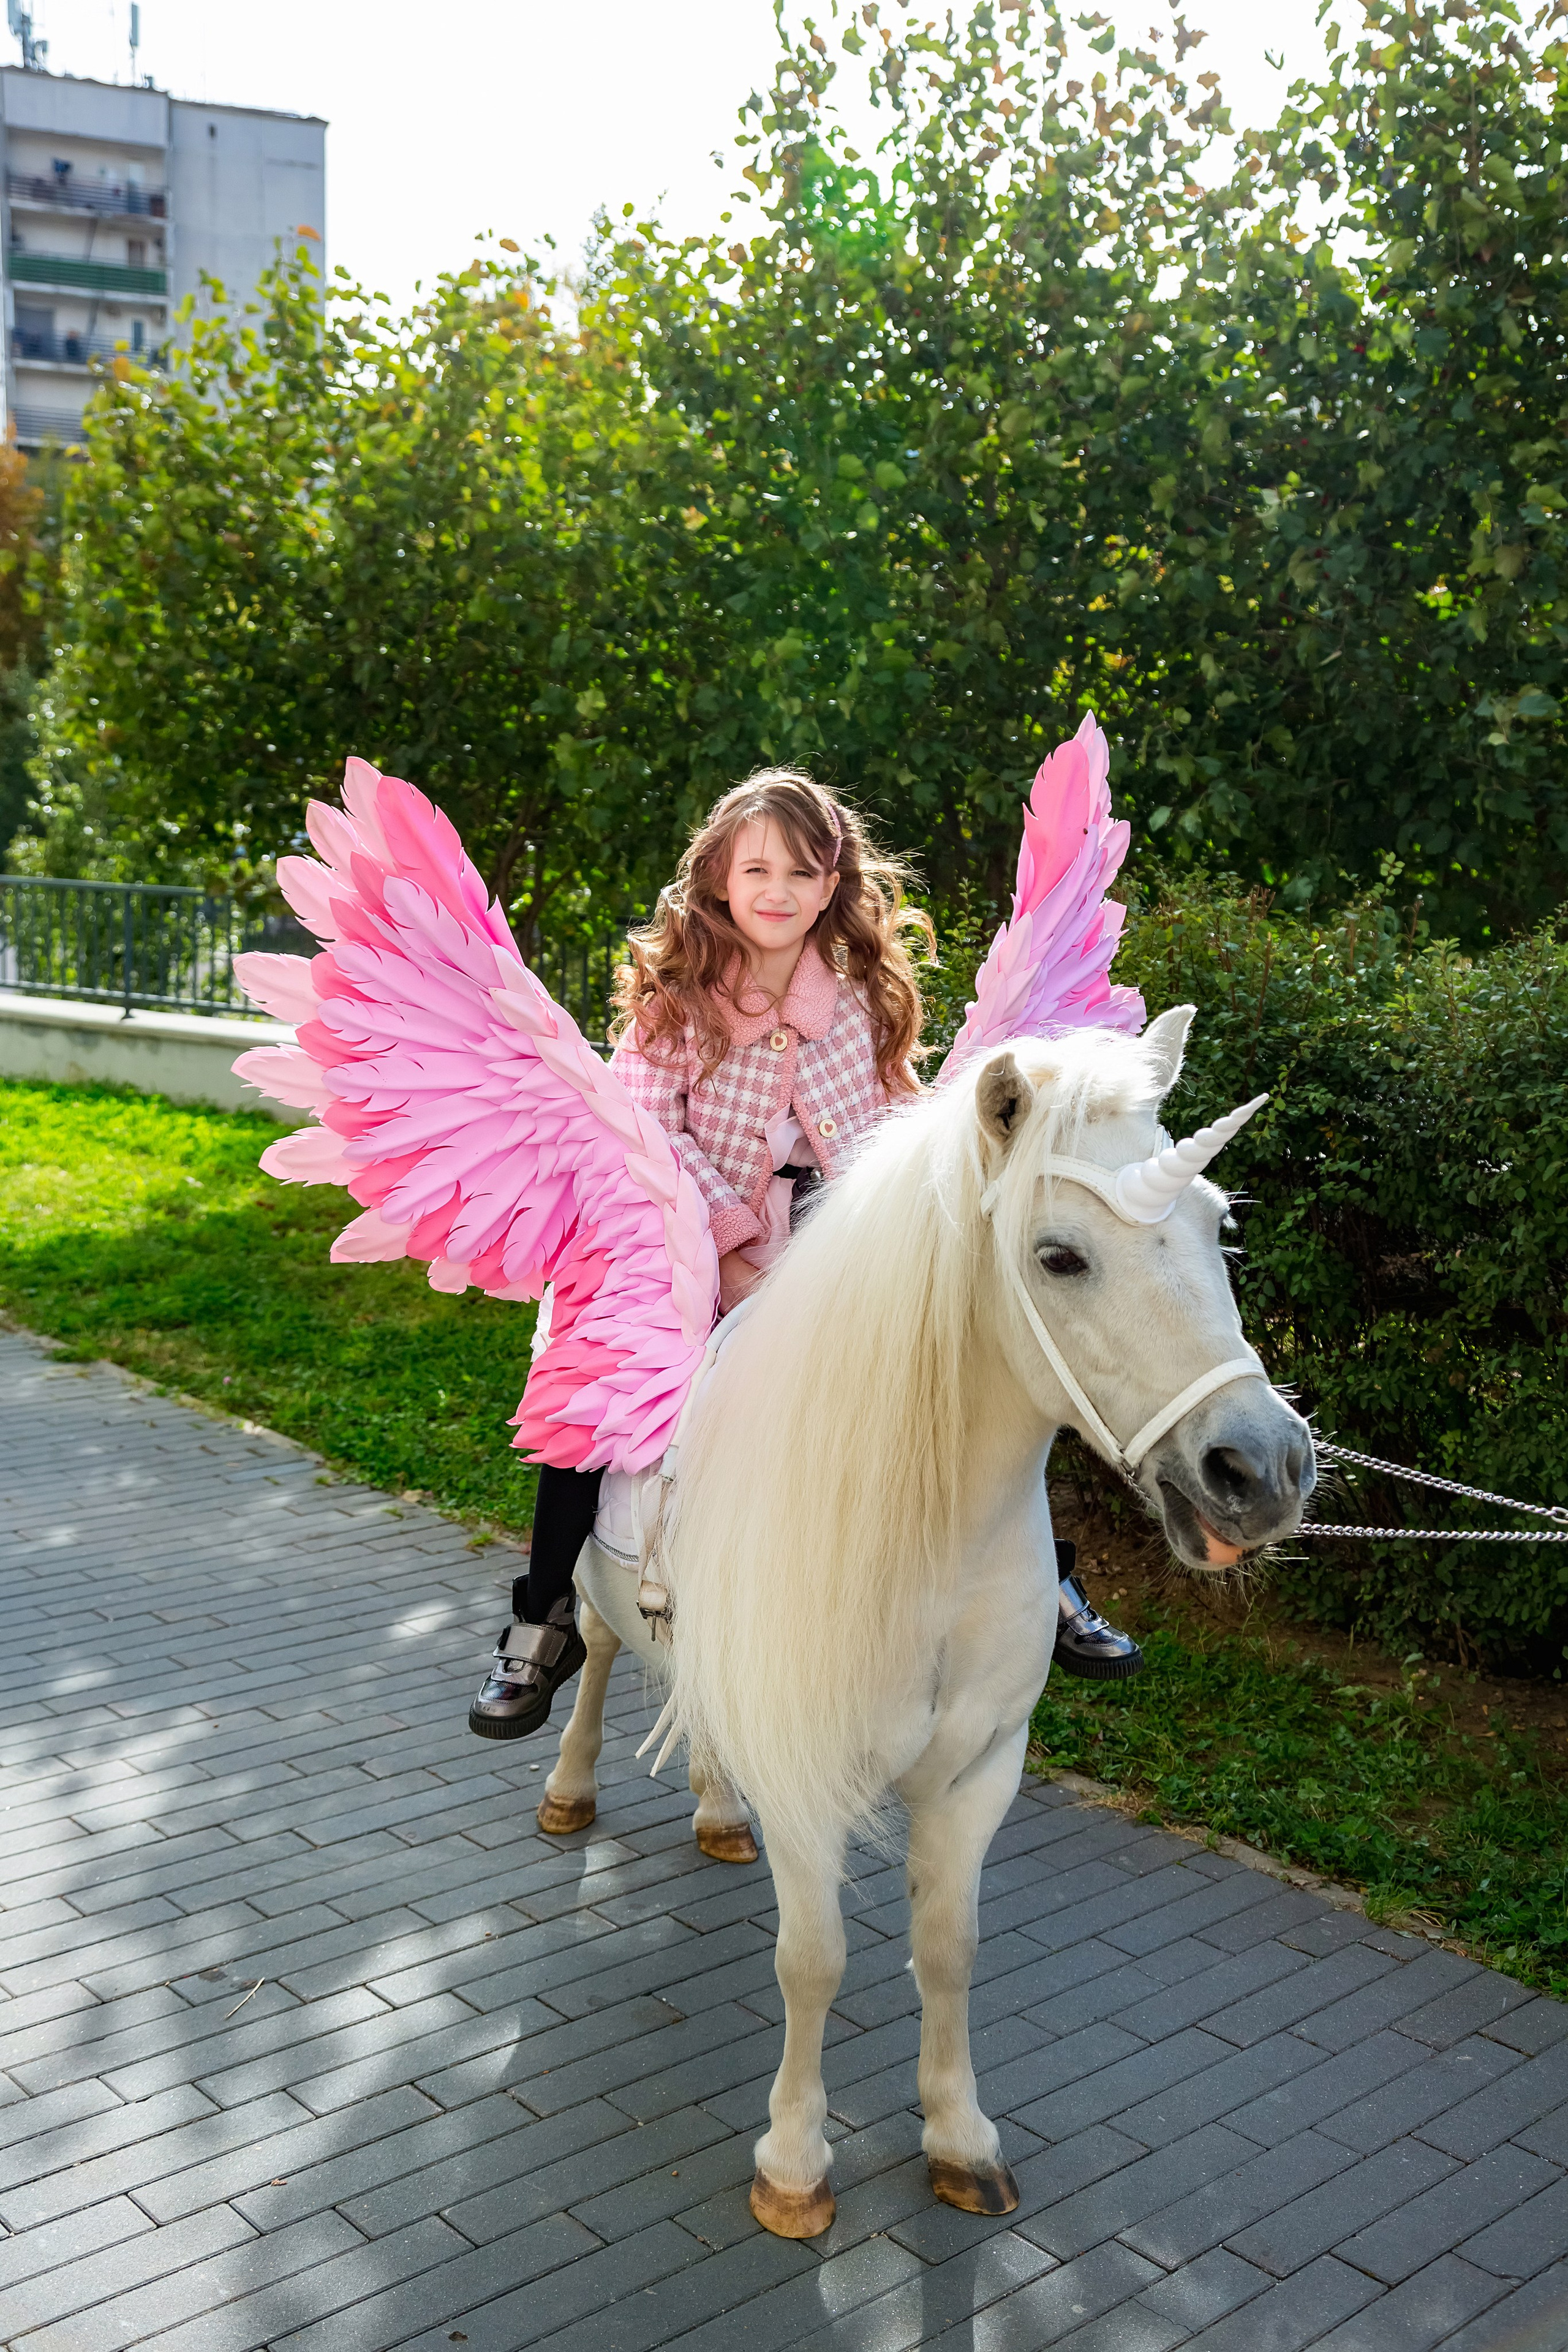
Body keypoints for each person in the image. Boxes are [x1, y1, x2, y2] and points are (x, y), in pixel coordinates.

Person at [468, 768, 1139, 1741]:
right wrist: (735, 1253)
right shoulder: (676, 1002)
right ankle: (545, 1616)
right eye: (756, 868)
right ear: (720, 880)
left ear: (832, 885)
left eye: (800, 869)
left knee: (970, 1370)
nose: (776, 889)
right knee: (595, 1391)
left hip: (840, 1238)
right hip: (684, 1238)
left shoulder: (862, 996)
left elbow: (892, 1116)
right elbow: (646, 1130)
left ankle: (1049, 1582)